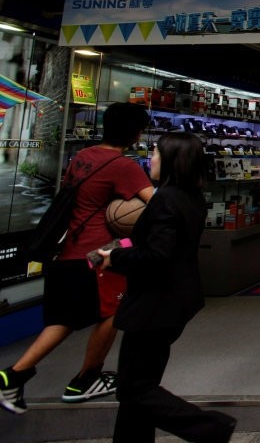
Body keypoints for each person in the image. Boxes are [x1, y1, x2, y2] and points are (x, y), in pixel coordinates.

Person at [1, 102, 154, 415]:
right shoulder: (122, 166)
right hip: (98, 257)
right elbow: (155, 203)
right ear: (135, 132)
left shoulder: (83, 157)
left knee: (64, 321)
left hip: (67, 253)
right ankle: (85, 380)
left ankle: (14, 374)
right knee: (114, 311)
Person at [97, 132, 236, 443]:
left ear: (172, 159)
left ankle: (210, 428)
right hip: (174, 302)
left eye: (156, 153)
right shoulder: (191, 196)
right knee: (140, 387)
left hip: (154, 305)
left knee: (135, 388)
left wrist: (116, 257)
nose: (151, 158)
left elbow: (159, 254)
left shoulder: (166, 198)